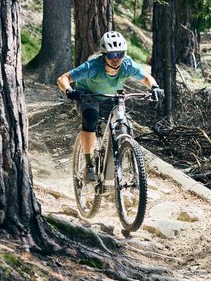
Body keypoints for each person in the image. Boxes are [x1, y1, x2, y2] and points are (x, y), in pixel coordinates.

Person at [57, 31, 164, 179]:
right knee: (91, 117)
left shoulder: (127, 65)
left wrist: (155, 87)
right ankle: (89, 165)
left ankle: (125, 157)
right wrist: (69, 90)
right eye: (112, 55)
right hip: (88, 94)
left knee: (123, 122)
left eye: (120, 54)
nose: (116, 59)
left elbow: (146, 78)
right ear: (104, 54)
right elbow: (63, 78)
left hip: (110, 96)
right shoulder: (93, 66)